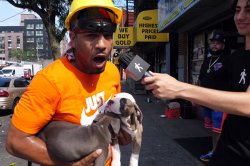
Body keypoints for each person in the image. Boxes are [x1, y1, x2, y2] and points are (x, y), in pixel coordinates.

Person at [5, 0, 130, 165]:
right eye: (91, 36)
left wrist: (121, 132)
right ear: (73, 38)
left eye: (107, 36)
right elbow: (15, 142)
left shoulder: (112, 72)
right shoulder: (49, 81)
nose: (102, 45)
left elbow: (112, 115)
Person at [141, 0, 250, 165]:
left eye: (248, 10)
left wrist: (180, 89)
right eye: (237, 10)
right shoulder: (236, 57)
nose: (240, 16)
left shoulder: (228, 58)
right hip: (227, 152)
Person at [198, 31, 228, 162]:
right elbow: (200, 79)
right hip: (206, 101)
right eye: (213, 43)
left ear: (223, 46)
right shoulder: (207, 60)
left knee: (219, 129)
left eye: (218, 43)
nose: (215, 45)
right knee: (213, 129)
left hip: (220, 101)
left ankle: (219, 153)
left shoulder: (228, 60)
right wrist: (197, 97)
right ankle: (215, 150)